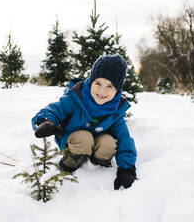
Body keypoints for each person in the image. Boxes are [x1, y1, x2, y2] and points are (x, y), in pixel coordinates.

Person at [31, 54, 137, 190]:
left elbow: (124, 138)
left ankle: (99, 163)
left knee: (109, 143)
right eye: (98, 83)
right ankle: (71, 163)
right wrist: (45, 121)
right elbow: (55, 109)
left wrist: (127, 168)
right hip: (74, 140)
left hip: (97, 141)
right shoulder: (75, 97)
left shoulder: (115, 110)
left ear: (117, 90)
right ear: (91, 81)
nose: (102, 91)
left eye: (109, 86)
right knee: (84, 138)